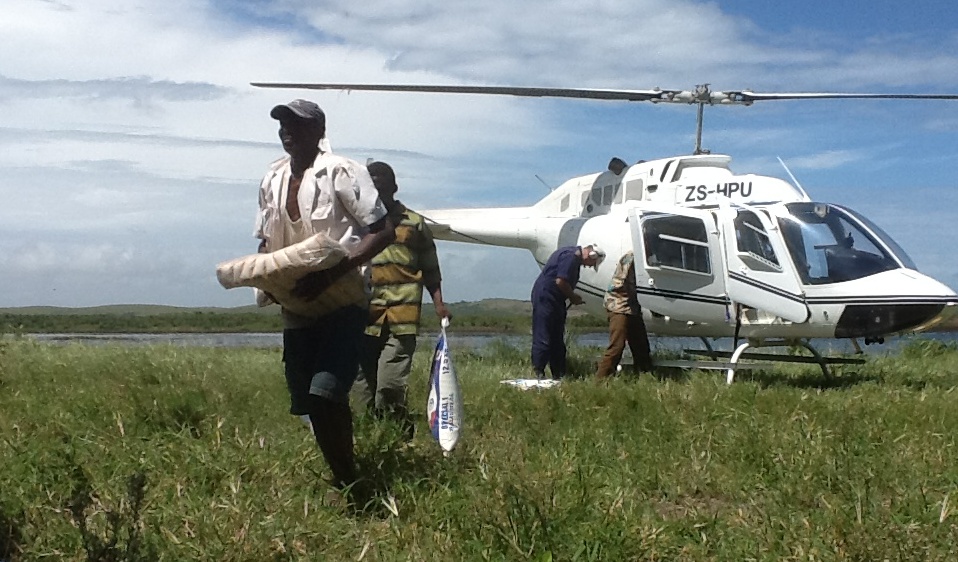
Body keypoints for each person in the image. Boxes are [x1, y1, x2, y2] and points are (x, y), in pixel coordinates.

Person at [253, 99, 395, 496]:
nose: (287, 132)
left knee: (326, 391)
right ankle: (344, 474)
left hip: (342, 299)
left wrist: (335, 272)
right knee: (312, 402)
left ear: (319, 131)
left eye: (296, 125)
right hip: (297, 302)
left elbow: (381, 230)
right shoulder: (272, 178)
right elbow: (266, 237)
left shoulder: (344, 171)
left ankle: (350, 481)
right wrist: (268, 274)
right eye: (282, 125)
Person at [354, 161, 451, 438]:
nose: (377, 191)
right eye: (371, 186)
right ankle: (368, 439)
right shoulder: (358, 223)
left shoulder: (414, 222)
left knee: (390, 385)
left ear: (394, 188)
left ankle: (400, 436)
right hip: (365, 315)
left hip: (403, 314)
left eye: (382, 185)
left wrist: (439, 303)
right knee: (361, 387)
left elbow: (431, 268)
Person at [530, 244, 605, 379]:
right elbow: (561, 281)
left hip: (554, 299)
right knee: (544, 335)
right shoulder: (571, 257)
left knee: (556, 338)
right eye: (591, 263)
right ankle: (538, 372)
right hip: (547, 297)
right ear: (591, 255)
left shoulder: (570, 253)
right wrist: (573, 297)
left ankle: (558, 373)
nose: (588, 266)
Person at [595, 251, 653, 378]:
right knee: (617, 346)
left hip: (632, 306)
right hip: (619, 305)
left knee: (641, 345)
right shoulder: (632, 258)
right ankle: (601, 380)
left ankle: (644, 376)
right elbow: (624, 282)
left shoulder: (642, 257)